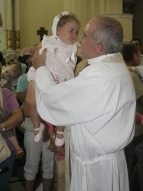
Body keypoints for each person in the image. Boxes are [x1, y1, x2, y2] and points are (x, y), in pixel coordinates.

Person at [32, 16, 136, 191]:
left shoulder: (99, 76)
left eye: (85, 35)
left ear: (98, 47)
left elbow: (53, 99)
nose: (80, 38)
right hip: (100, 163)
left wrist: (40, 68)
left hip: (97, 171)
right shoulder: (113, 65)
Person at [21, 12, 82, 144]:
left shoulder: (74, 47)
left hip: (62, 78)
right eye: (71, 30)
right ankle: (37, 127)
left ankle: (60, 132)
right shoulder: (47, 40)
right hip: (40, 73)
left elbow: (86, 52)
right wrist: (29, 50)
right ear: (58, 30)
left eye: (76, 32)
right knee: (31, 102)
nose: (74, 35)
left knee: (62, 106)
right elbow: (36, 48)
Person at [16, 72, 54, 191]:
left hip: (50, 131)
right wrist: (44, 113)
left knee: (49, 166)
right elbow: (26, 111)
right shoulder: (33, 84)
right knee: (31, 166)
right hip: (33, 130)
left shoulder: (54, 82)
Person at [0, 70, 23, 191]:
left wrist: (2, 126)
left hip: (5, 150)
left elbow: (18, 116)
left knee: (1, 185)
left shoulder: (6, 93)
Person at [121, 44, 143, 191]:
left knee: (131, 163)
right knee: (139, 164)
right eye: (139, 54)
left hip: (128, 126)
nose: (140, 57)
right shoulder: (133, 76)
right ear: (134, 56)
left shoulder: (123, 72)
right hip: (138, 128)